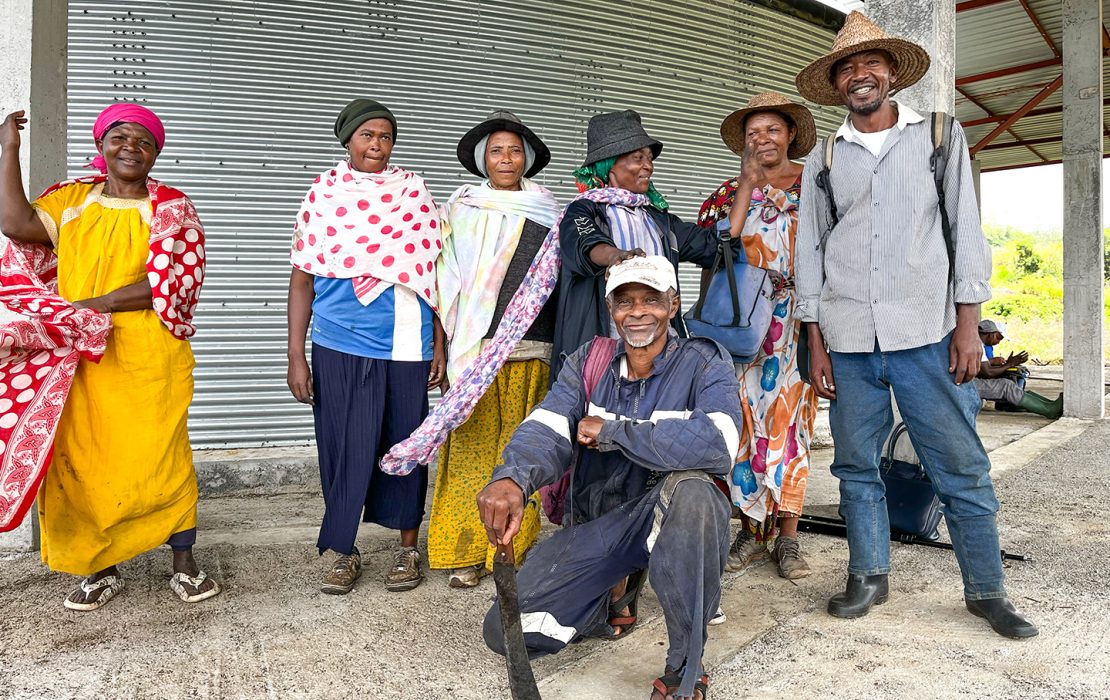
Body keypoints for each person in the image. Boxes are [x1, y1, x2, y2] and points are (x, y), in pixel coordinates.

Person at [794, 11, 1037, 638]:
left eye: (871, 63)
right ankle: (868, 575)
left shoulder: (937, 135)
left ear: (892, 73)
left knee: (960, 465)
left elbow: (964, 231)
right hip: (847, 340)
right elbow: (810, 253)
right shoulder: (824, 157)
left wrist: (967, 326)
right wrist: (814, 342)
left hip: (926, 335)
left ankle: (987, 590)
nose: (859, 75)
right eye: (846, 68)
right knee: (854, 466)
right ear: (837, 83)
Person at [478, 256, 741, 700]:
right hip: (605, 522)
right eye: (625, 301)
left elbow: (718, 443)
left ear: (673, 305)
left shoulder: (704, 361)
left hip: (671, 513)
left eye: (651, 300)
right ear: (610, 309)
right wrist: (513, 478)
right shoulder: (589, 360)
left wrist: (616, 432)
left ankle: (684, 668)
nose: (637, 312)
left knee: (695, 492)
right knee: (507, 633)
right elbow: (549, 425)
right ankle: (613, 596)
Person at [0, 104, 219, 610]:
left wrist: (94, 305)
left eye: (144, 142)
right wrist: (10, 148)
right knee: (83, 459)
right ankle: (100, 568)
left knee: (162, 457)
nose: (131, 148)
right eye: (119, 137)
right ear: (101, 146)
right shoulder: (72, 201)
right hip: (81, 359)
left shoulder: (172, 208)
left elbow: (174, 284)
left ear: (156, 154)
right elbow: (15, 224)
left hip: (149, 356)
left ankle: (184, 564)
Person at [286, 98, 446, 594]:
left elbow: (437, 276)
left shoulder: (415, 193)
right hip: (337, 336)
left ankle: (405, 550)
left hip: (404, 337)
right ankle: (343, 551)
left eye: (385, 136)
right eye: (366, 135)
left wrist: (440, 344)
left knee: (407, 442)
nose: (377, 145)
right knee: (341, 444)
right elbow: (301, 279)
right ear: (347, 140)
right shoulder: (323, 195)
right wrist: (295, 352)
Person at [428, 110, 560, 588]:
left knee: (519, 453)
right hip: (476, 353)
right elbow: (443, 282)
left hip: (532, 348)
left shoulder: (551, 212)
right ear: (483, 159)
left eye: (515, 150)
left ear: (527, 158)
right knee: (470, 450)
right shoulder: (461, 208)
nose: (506, 157)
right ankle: (463, 551)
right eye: (497, 150)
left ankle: (509, 550)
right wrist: (439, 346)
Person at [696, 92, 820, 580]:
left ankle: (787, 538)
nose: (763, 139)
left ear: (790, 134)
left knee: (791, 425)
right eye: (753, 133)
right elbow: (717, 248)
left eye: (772, 130)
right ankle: (751, 531)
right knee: (745, 425)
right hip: (744, 321)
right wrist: (747, 186)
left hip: (795, 319)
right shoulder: (729, 190)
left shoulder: (815, 184)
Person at [551, 109, 745, 382]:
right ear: (610, 164)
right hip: (601, 353)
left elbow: (717, 244)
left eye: (650, 158)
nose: (649, 166)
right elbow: (587, 244)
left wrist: (747, 182)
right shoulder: (582, 211)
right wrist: (616, 256)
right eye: (638, 158)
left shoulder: (659, 220)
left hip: (659, 356)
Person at [975, 319, 1061, 418]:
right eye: (998, 337)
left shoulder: (977, 343)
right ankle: (1049, 410)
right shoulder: (976, 344)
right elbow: (988, 372)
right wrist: (1009, 364)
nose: (999, 341)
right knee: (1006, 386)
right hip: (964, 385)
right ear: (990, 334)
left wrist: (1008, 364)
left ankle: (1049, 404)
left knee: (1011, 386)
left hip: (965, 381)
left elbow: (983, 368)